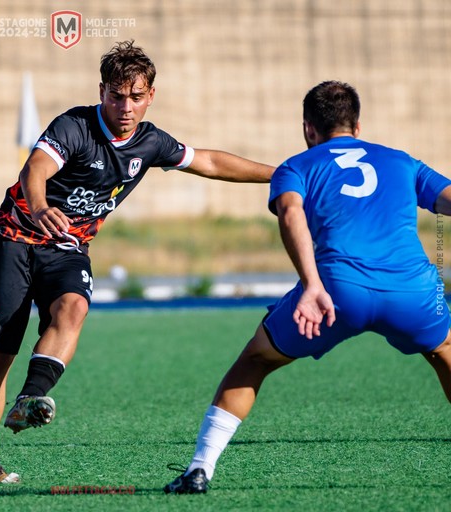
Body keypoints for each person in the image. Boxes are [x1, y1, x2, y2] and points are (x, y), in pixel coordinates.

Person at [0, 40, 274, 485]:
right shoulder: (74, 126)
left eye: (135, 96)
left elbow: (207, 161)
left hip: (68, 248)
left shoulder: (150, 142)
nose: (125, 106)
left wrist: (280, 173)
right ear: (101, 92)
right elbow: (33, 169)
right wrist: (38, 206)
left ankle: (31, 398)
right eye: (115, 95)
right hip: (14, 240)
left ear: (151, 96)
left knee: (73, 306)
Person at [164, 80, 451, 494]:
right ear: (357, 124)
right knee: (442, 350)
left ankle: (199, 469)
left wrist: (312, 283)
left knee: (256, 360)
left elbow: (290, 213)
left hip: (337, 291)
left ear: (308, 129)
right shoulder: (401, 161)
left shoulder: (297, 166)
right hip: (412, 291)